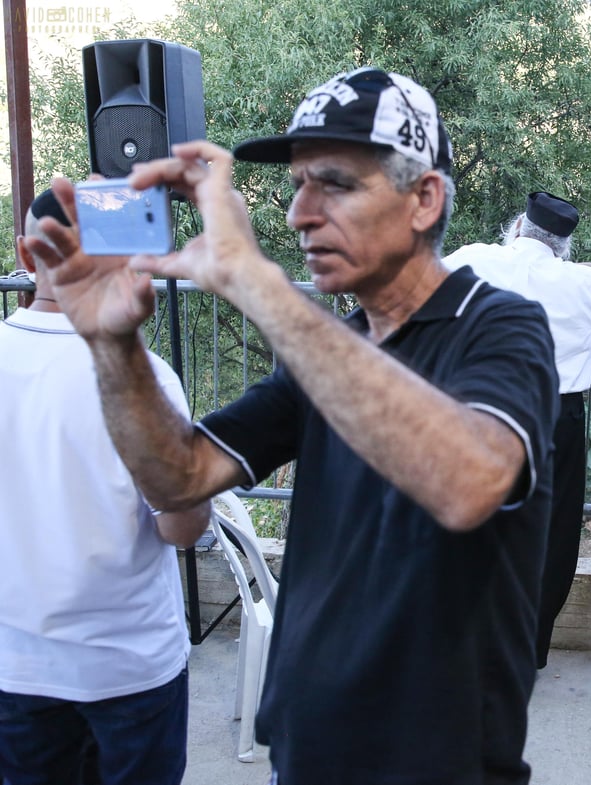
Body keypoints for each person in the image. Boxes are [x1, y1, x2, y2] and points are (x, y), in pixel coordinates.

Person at [27, 67, 559, 784]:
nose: (298, 214)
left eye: (334, 183)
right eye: (298, 185)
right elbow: (177, 477)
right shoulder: (332, 349)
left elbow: (469, 481)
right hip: (307, 754)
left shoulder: (497, 325)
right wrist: (112, 345)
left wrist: (256, 281)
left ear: (424, 199)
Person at [0, 189, 211, 784]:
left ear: (25, 253)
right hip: (130, 666)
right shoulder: (145, 376)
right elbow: (182, 528)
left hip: (16, 667)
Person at [444, 192, 591, 669]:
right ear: (562, 244)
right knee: (548, 535)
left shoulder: (476, 259)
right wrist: (576, 266)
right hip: (555, 417)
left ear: (516, 228)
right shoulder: (581, 283)